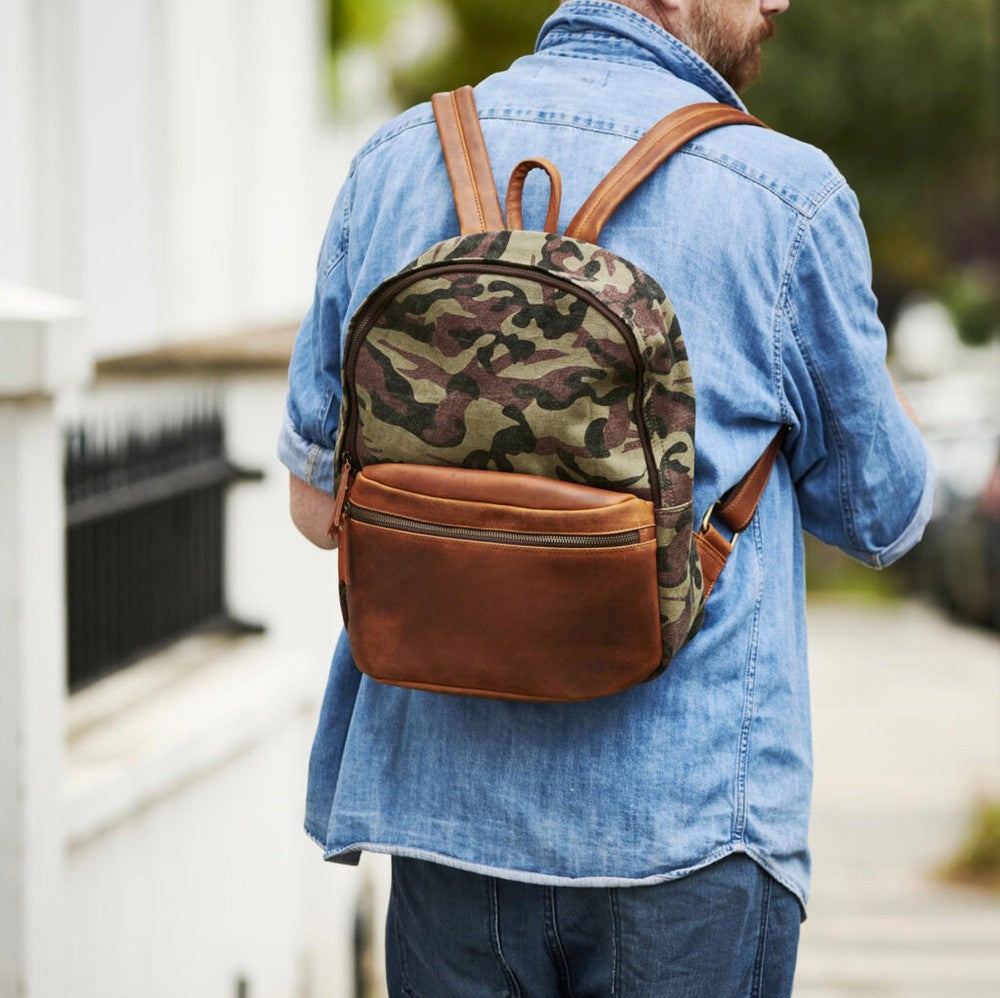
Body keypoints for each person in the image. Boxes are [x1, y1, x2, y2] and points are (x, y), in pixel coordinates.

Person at [278, 1, 933, 993]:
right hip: (683, 826)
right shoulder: (783, 195)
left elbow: (317, 507)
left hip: (443, 825)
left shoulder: (397, 160)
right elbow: (881, 514)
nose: (778, 1)